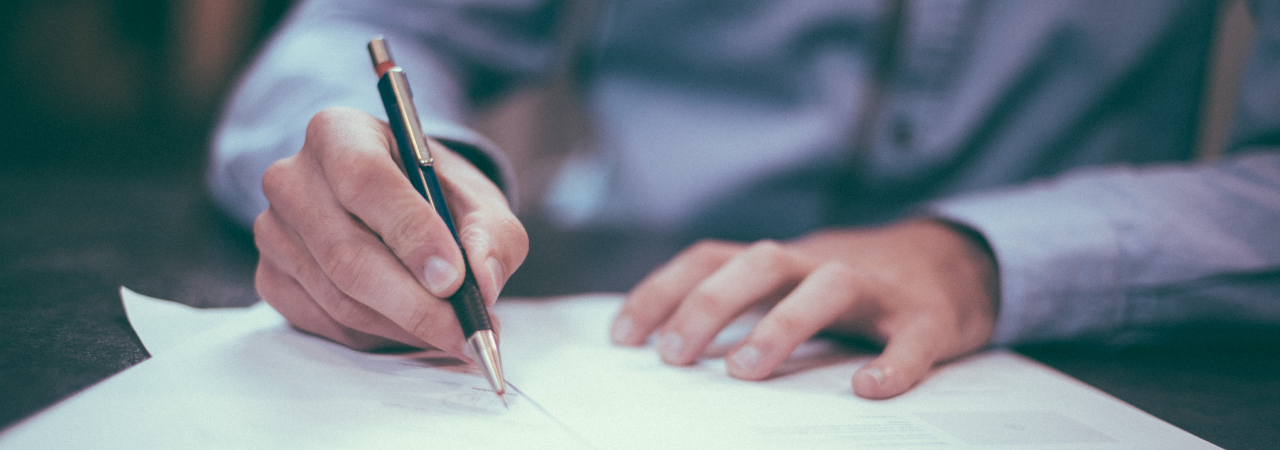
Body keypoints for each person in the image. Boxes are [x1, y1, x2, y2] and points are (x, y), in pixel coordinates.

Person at [209, 0, 1280, 399]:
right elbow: (365, 29)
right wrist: (389, 182)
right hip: (619, 310)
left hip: (1077, 348)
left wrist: (982, 255)